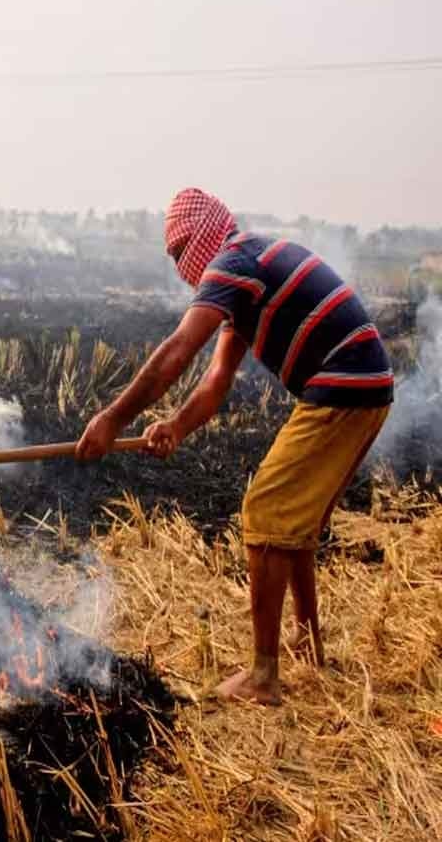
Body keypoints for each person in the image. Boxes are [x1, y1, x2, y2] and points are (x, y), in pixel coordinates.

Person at [75, 188, 393, 705]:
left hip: (345, 381)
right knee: (296, 523)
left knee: (266, 511)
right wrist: (176, 425)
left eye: (180, 253)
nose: (180, 267)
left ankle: (263, 677)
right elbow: (217, 380)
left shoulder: (232, 261)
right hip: (366, 383)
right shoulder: (247, 272)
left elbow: (178, 350)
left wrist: (112, 418)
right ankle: (310, 644)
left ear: (202, 237)